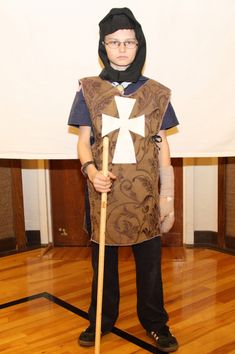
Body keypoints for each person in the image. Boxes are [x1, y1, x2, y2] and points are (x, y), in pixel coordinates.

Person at [68, 7, 179, 353]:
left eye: (128, 41)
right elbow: (83, 142)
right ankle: (100, 320)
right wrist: (91, 172)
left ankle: (156, 323)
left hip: (146, 195)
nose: (121, 48)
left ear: (138, 44)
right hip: (105, 191)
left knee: (149, 266)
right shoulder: (89, 89)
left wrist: (168, 198)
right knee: (104, 265)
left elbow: (162, 146)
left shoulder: (156, 93)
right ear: (104, 45)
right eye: (114, 42)